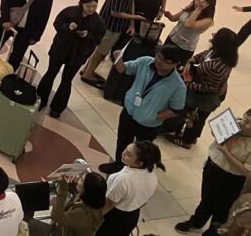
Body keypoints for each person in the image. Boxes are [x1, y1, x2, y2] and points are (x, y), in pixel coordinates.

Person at [99, 46, 186, 174]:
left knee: (141, 152)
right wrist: (118, 58)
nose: (159, 61)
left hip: (148, 125)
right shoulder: (145, 62)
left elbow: (176, 110)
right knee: (122, 141)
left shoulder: (178, 86)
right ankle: (118, 165)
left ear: (175, 64)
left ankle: (133, 174)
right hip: (129, 113)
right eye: (159, 56)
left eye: (165, 61)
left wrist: (154, 116)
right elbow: (124, 69)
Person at [175, 108, 251, 236]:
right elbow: (214, 130)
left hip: (232, 178)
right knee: (206, 199)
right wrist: (219, 132)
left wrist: (226, 152)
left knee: (222, 209)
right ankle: (196, 223)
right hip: (212, 166)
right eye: (246, 121)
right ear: (244, 115)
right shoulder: (233, 122)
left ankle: (213, 232)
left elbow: (247, 172)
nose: (247, 127)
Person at [80, 0, 154, 87]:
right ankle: (88, 74)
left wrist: (131, 23)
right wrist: (134, 17)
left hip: (110, 23)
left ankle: (87, 70)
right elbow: (115, 12)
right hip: (111, 25)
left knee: (100, 49)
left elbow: (130, 1)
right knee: (101, 51)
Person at [167, 29, 239, 148]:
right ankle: (181, 132)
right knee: (188, 112)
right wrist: (190, 62)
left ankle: (187, 140)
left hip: (206, 97)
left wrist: (188, 84)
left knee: (197, 118)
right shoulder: (216, 52)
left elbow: (209, 87)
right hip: (198, 88)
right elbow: (202, 55)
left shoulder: (219, 67)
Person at [37, 0, 105, 118]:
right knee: (51, 73)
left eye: (94, 6)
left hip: (78, 54)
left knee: (67, 80)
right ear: (81, 3)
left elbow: (99, 38)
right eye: (88, 6)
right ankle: (40, 99)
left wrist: (88, 36)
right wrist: (67, 27)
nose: (91, 9)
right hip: (60, 49)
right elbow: (57, 23)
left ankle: (57, 108)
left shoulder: (98, 21)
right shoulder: (70, 11)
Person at [97, 141, 163, 236]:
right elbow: (146, 200)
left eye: (128, 154)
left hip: (115, 217)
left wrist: (97, 216)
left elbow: (110, 203)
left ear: (139, 163)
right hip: (133, 215)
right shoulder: (152, 176)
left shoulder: (123, 179)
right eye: (125, 150)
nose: (123, 153)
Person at [41, 172, 106, 236]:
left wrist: (62, 189)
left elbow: (56, 216)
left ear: (87, 189)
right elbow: (76, 196)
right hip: (60, 231)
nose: (78, 179)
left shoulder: (82, 213)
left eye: (81, 180)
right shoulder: (91, 202)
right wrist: (73, 186)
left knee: (35, 225)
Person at [163, 0, 216, 64]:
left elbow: (188, 24)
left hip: (184, 48)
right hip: (172, 39)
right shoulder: (190, 7)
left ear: (208, 5)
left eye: (202, 2)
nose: (197, 3)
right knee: (161, 59)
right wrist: (169, 16)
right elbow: (174, 18)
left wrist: (198, 9)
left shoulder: (208, 20)